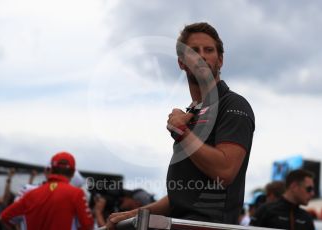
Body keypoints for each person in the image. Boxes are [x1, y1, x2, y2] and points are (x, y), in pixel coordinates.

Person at [106, 22, 255, 228]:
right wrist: (133, 214)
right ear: (181, 63)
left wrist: (182, 133)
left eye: (209, 50)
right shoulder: (192, 113)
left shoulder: (233, 104)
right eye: (194, 51)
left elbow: (226, 170)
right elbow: (183, 196)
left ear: (220, 60)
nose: (202, 56)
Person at [0, 151, 94, 230]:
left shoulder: (30, 194)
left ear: (52, 169)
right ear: (73, 173)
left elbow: (4, 217)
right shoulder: (76, 193)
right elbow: (88, 226)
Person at [250, 169, 315, 230]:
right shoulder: (266, 210)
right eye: (309, 189)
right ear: (294, 186)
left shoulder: (307, 218)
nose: (312, 193)